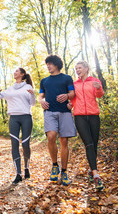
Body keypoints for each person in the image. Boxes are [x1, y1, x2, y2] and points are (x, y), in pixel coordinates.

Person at [39, 55, 77, 186]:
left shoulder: (67, 78)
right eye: (47, 64)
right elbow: (40, 95)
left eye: (50, 64)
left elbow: (72, 93)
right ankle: (54, 165)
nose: (48, 66)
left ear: (57, 65)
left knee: (64, 141)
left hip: (65, 112)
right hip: (49, 112)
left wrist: (67, 95)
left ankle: (64, 171)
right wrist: (41, 101)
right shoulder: (44, 81)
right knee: (51, 136)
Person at [68, 61, 104, 190]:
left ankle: (91, 170)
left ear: (86, 68)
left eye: (80, 68)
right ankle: (96, 174)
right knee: (88, 143)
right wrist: (70, 105)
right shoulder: (74, 84)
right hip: (79, 116)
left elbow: (99, 95)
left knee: (94, 144)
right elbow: (73, 98)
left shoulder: (94, 81)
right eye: (76, 68)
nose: (77, 70)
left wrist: (99, 88)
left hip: (93, 115)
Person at [0, 68, 35, 184]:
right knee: (14, 145)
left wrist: (33, 95)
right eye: (14, 71)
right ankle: (18, 173)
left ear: (22, 74)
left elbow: (32, 103)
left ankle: (26, 167)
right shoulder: (10, 89)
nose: (14, 73)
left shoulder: (28, 87)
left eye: (17, 71)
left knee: (25, 144)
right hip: (13, 118)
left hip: (26, 118)